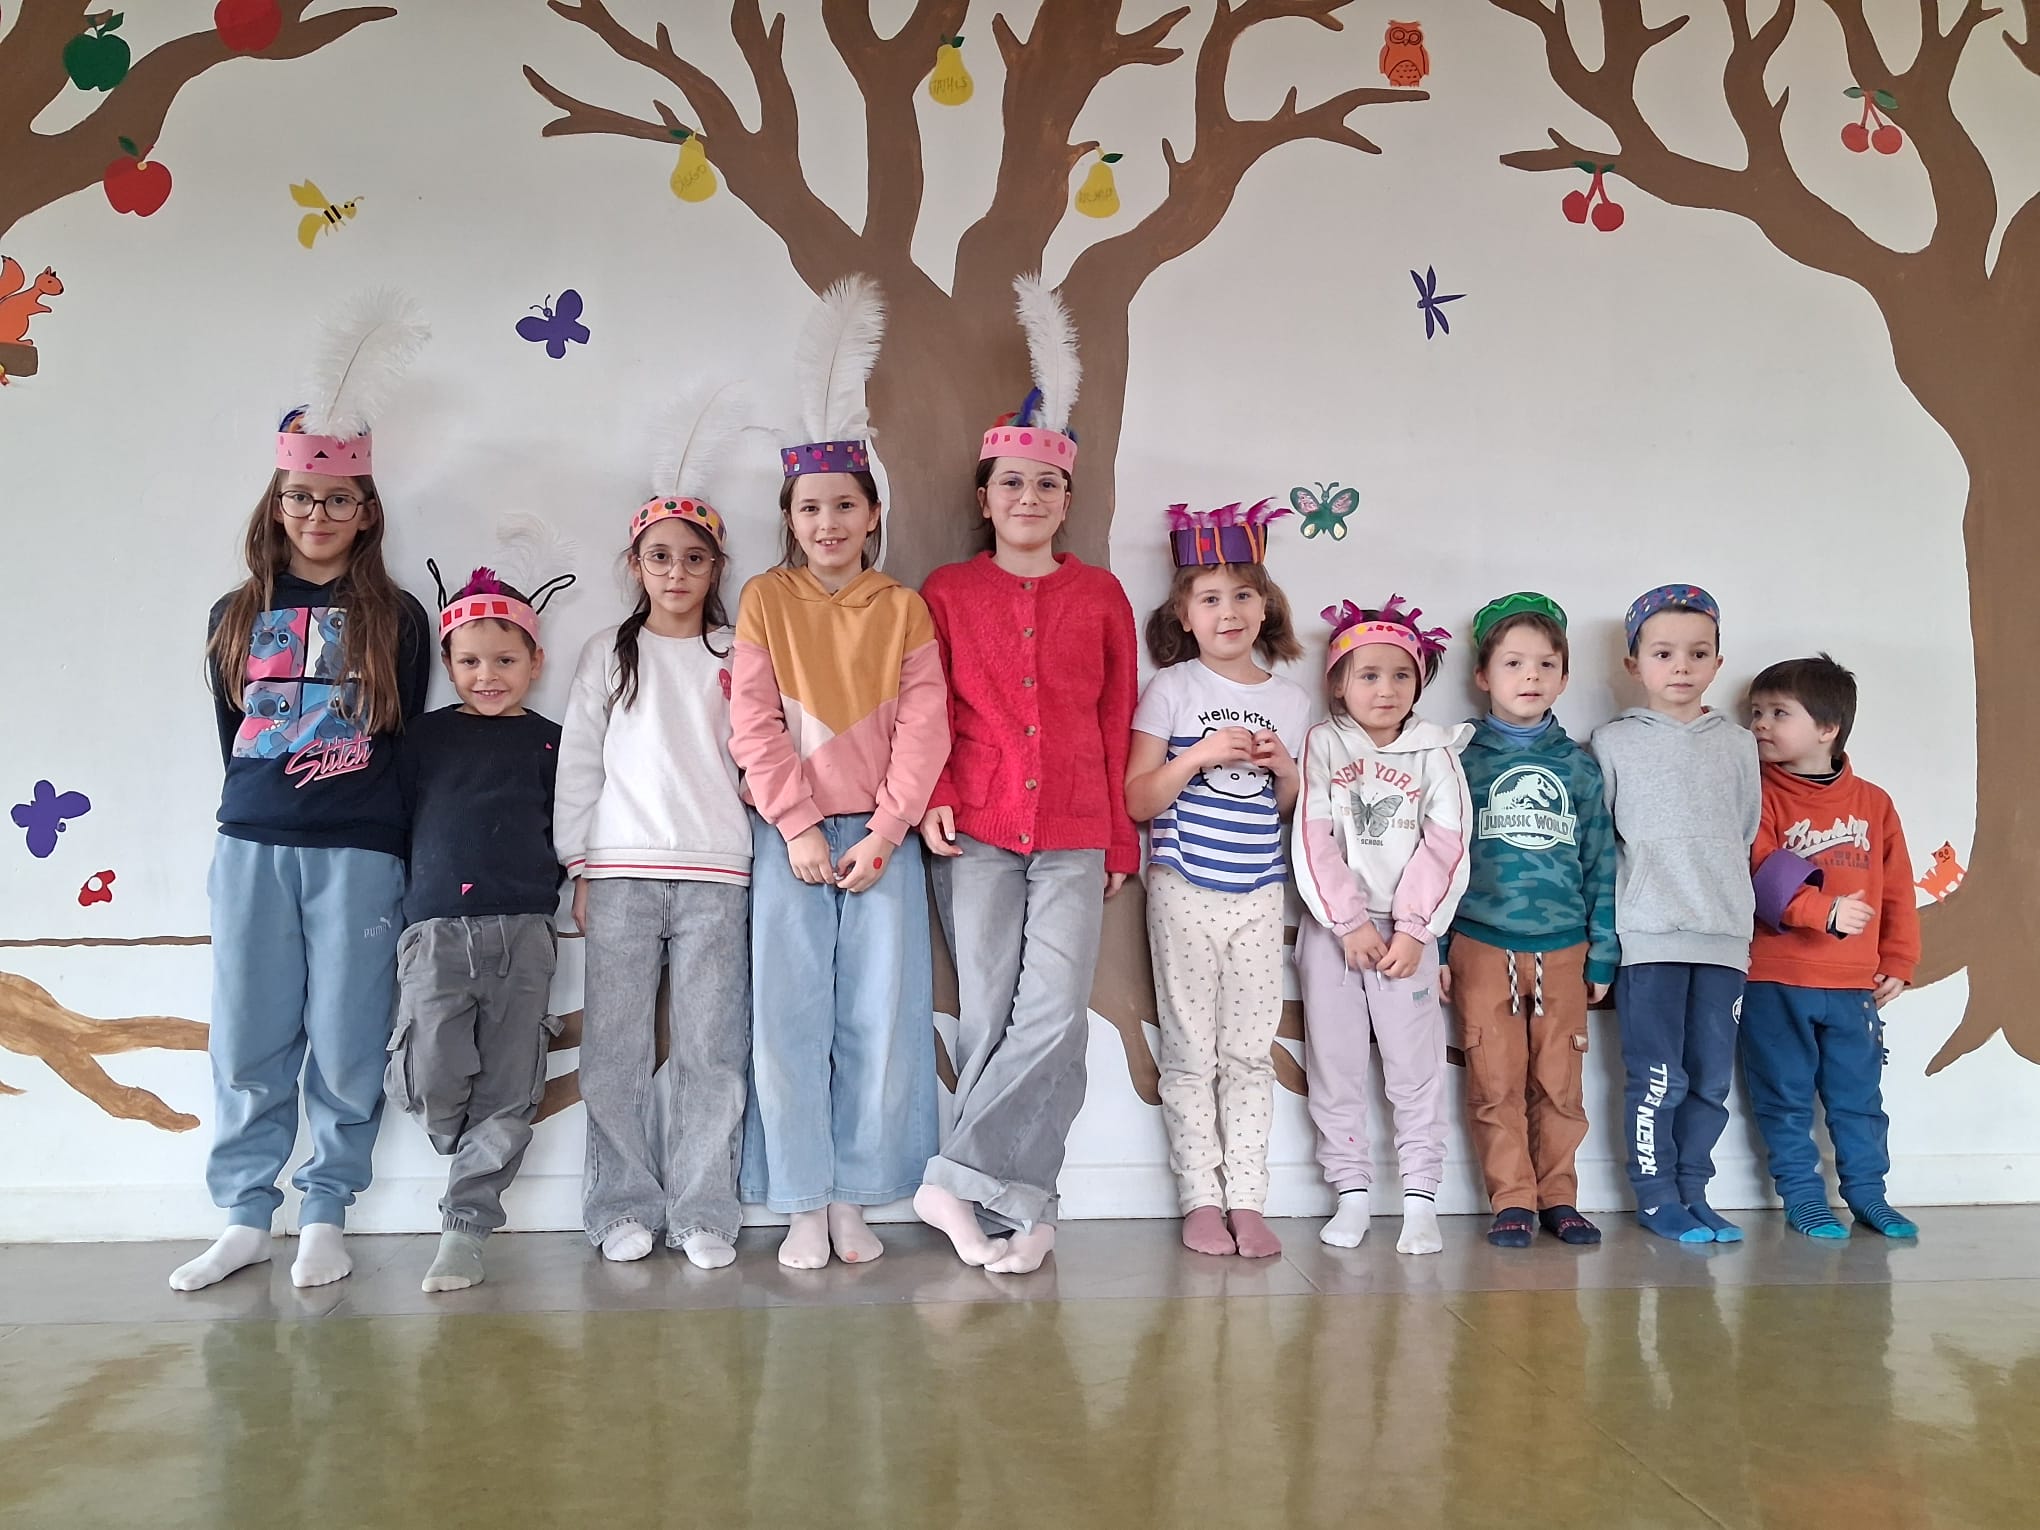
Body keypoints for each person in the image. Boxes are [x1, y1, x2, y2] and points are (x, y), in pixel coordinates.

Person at [171, 295, 432, 1291]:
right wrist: (267, 807)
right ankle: (245, 1214)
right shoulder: (233, 614)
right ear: (275, 505)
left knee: (349, 1035)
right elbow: (230, 738)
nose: (317, 515)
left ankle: (326, 1210)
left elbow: (404, 741)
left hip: (361, 852)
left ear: (366, 511)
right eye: (300, 498)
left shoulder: (397, 617)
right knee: (248, 1033)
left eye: (337, 500)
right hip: (253, 844)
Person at [914, 275, 1137, 1275]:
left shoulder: (1101, 596)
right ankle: (1027, 1212)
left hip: (1079, 832)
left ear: (1068, 500)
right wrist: (933, 797)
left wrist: (1122, 836)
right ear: (984, 497)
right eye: (1011, 484)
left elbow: (1115, 717)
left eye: (1046, 486)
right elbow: (926, 708)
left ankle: (955, 1183)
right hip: (977, 827)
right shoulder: (948, 591)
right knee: (991, 1017)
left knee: (1052, 1019)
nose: (1029, 499)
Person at [734, 277, 949, 1268]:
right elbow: (753, 721)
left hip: (881, 840)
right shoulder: (764, 602)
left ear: (871, 515)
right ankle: (801, 1198)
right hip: (790, 838)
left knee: (882, 1020)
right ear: (791, 516)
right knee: (788, 1020)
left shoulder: (902, 609)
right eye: (811, 507)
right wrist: (795, 825)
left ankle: (860, 1194)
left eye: (845, 506)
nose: (828, 522)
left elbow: (925, 727)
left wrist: (888, 829)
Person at [555, 391, 755, 1267]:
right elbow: (580, 765)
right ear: (635, 563)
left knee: (713, 1052)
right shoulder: (608, 652)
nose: (677, 572)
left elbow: (759, 755)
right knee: (616, 1052)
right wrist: (578, 865)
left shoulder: (739, 653)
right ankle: (620, 1206)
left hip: (718, 875)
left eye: (694, 558)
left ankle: (706, 1211)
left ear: (717, 567)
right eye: (660, 556)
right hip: (621, 875)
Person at [1126, 500, 1309, 1258]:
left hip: (1259, 893)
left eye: (1241, 594)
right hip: (1181, 888)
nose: (1227, 611)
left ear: (1265, 606)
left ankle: (1249, 1201)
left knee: (1247, 1053)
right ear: (1184, 614)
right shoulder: (1172, 689)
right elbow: (1138, 799)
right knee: (1190, 1052)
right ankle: (1200, 1199)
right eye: (1209, 597)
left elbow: (1293, 811)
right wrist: (1199, 755)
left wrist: (1286, 769)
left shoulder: (1290, 700)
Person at [389, 563, 572, 1291]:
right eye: (469, 662)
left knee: (509, 1089)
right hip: (435, 934)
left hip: (524, 933)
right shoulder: (421, 739)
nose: (487, 676)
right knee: (433, 1069)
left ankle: (465, 1227)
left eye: (504, 660)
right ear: (448, 664)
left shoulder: (553, 742)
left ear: (535, 661)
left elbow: (574, 827)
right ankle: (453, 1136)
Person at [1292, 596, 1470, 1254]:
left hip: (1408, 935)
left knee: (1415, 1069)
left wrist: (1413, 929)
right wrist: (1347, 922)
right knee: (1335, 1065)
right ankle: (1352, 1194)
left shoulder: (1437, 750)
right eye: (1368, 675)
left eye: (1401, 675)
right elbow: (1312, 838)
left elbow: (1448, 844)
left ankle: (1421, 1198)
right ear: (1339, 682)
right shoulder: (1322, 743)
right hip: (1332, 931)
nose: (1386, 688)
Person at [1447, 593, 1617, 1249]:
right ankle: (1512, 1199)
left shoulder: (1579, 766)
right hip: (1481, 943)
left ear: (1564, 677)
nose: (1531, 676)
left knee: (1560, 1081)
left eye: (1546, 664)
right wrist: (1438, 948)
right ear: (1483, 675)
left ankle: (1559, 1198)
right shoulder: (1459, 760)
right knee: (1494, 1080)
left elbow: (1601, 861)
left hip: (1566, 948)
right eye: (1514, 663)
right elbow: (1438, 859)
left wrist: (1603, 950)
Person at [1592, 583, 1759, 1244]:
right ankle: (1656, 1195)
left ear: (1718, 662)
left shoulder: (1739, 745)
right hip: (1649, 939)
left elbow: (1744, 831)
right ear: (1634, 664)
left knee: (1710, 1081)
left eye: (1698, 652)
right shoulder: (1611, 743)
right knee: (1658, 1077)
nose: (1681, 666)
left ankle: (1694, 1190)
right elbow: (1604, 843)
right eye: (1663, 653)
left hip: (1724, 938)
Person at [1744, 654, 1920, 1240]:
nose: (1761, 724)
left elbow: (1897, 888)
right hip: (1775, 978)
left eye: (1779, 713)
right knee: (1784, 1096)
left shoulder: (1874, 803)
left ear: (1827, 727)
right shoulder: (1756, 793)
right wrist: (1824, 911)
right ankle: (1803, 1198)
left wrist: (1899, 960)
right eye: (1756, 712)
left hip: (1851, 985)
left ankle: (1869, 1195)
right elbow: (1758, 871)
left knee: (1858, 1098)